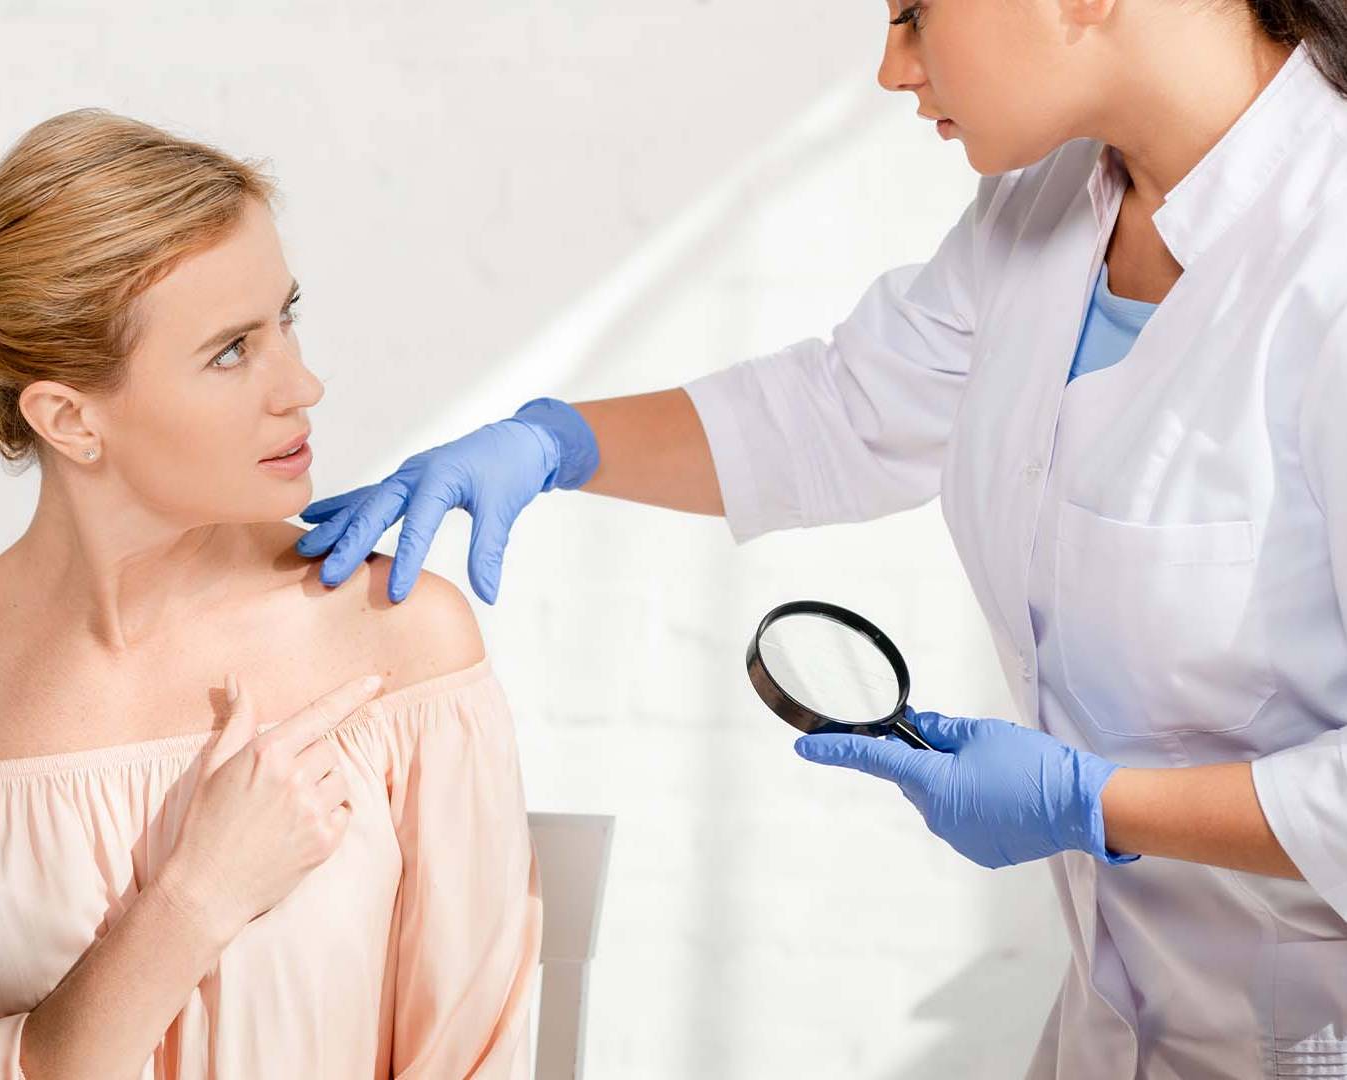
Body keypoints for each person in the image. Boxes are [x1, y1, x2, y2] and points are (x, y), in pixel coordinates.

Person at [296, 2, 1347, 1075]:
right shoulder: (1048, 209)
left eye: (913, 15)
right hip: (1113, 1032)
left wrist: (1098, 803)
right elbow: (846, 411)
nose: (894, 69)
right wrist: (556, 443)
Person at [0, 109, 540, 1079]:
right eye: (231, 350)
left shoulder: (395, 640)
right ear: (69, 418)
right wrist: (194, 901)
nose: (302, 384)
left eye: (288, 318)